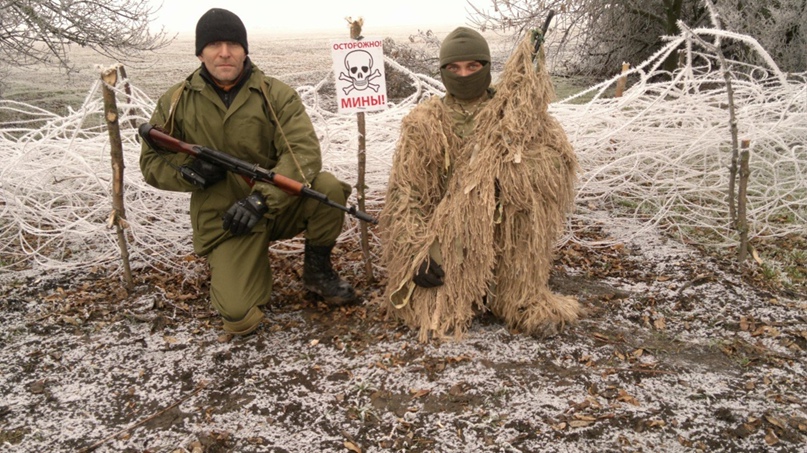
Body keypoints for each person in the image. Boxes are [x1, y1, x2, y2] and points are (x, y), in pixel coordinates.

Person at [140, 8, 356, 336]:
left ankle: (317, 273)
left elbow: (303, 154)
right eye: (214, 45)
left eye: (232, 44)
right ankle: (246, 268)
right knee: (240, 318)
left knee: (328, 190)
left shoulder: (276, 94)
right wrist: (189, 172)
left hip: (274, 205)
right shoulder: (175, 102)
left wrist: (261, 200)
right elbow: (152, 164)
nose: (224, 53)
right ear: (200, 51)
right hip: (225, 220)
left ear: (245, 50)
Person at [379, 26, 580, 342]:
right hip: (447, 233)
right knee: (433, 309)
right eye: (454, 68)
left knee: (523, 229)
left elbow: (557, 162)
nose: (463, 74)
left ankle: (520, 298)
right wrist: (416, 251)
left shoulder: (514, 113)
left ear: (486, 67)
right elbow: (406, 194)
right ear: (443, 72)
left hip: (507, 230)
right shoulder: (424, 122)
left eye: (473, 66)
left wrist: (508, 175)